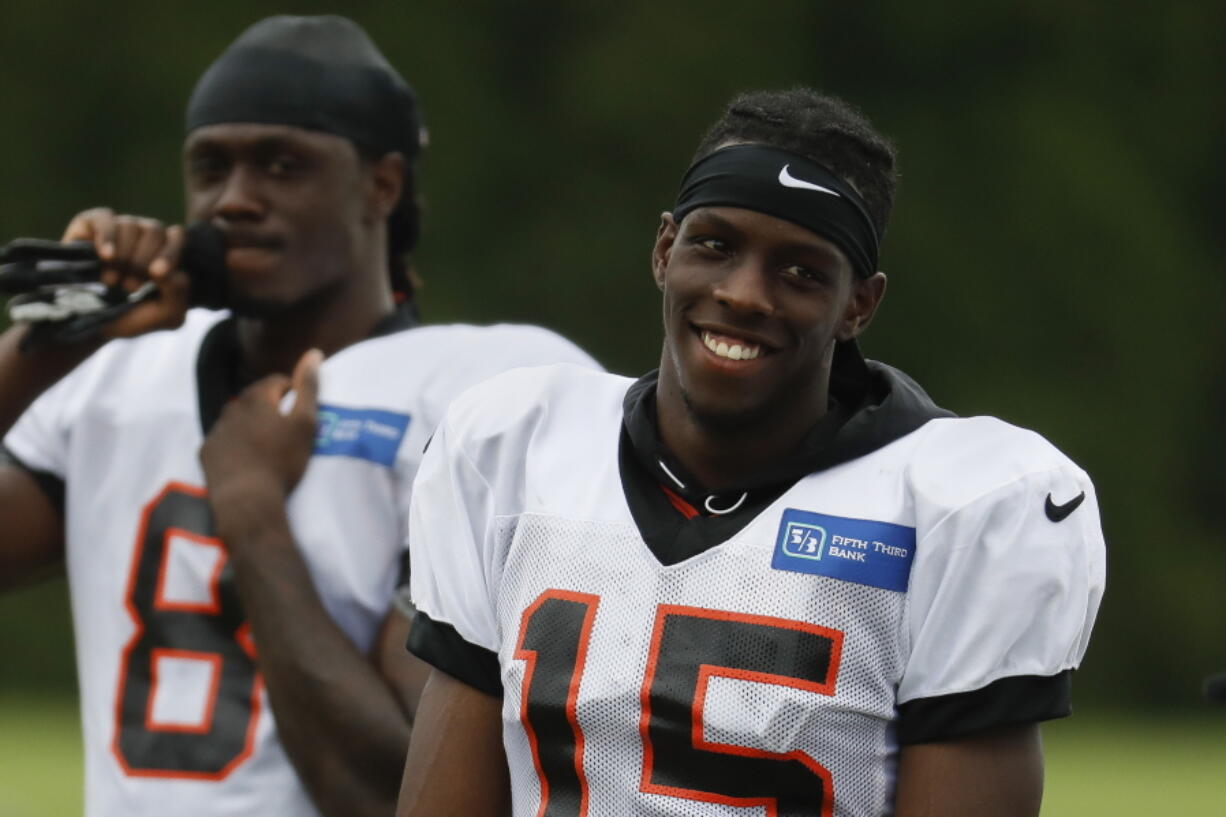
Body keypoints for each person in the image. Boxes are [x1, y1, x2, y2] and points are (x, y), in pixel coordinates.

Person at [395, 88, 1106, 817]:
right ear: (665, 249)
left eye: (801, 271)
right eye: (716, 245)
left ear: (858, 304)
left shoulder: (961, 505)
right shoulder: (516, 446)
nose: (744, 294)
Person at [0, 15, 596, 817]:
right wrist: (54, 343)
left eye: (283, 165)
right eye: (211, 166)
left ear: (380, 186)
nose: (235, 199)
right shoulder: (115, 375)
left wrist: (252, 513)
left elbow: (396, 793)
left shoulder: (473, 399)